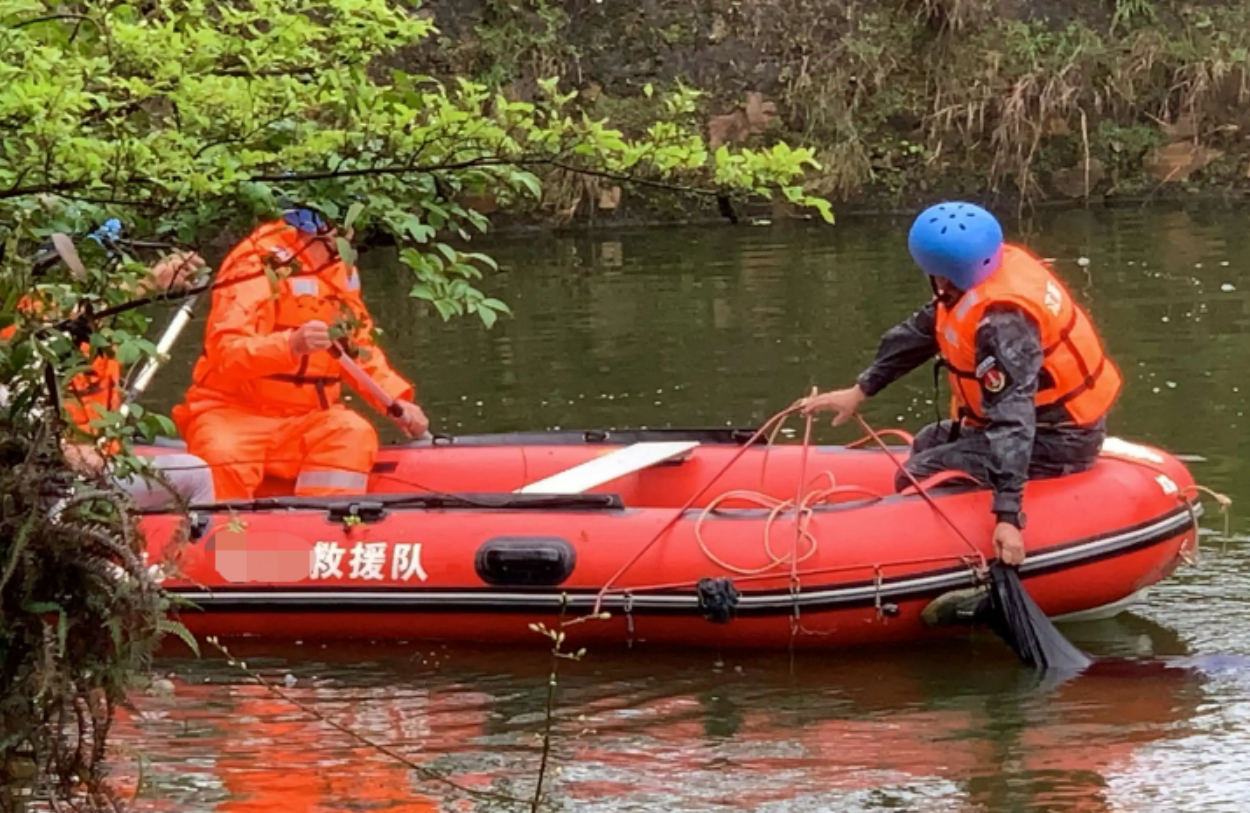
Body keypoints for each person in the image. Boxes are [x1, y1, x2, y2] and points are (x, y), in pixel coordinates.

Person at [799, 201, 1122, 568]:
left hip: (1059, 438)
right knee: (928, 442)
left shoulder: (1003, 323)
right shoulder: (979, 280)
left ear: (943, 274)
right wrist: (860, 391)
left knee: (919, 476)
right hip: (1042, 424)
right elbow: (917, 335)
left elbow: (1013, 419)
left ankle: (956, 557)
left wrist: (1007, 517)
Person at [172, 207, 428, 501]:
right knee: (222, 453)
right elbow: (226, 354)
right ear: (315, 224)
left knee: (352, 433)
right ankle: (225, 545)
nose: (353, 232)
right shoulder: (255, 265)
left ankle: (318, 532)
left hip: (308, 417)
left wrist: (395, 400)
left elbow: (358, 346)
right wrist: (290, 345)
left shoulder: (340, 270)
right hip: (234, 414)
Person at [1, 235, 218, 510]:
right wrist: (65, 448)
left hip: (102, 464)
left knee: (194, 469)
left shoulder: (101, 332)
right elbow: (70, 314)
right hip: (55, 477)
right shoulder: (30, 321)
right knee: (196, 475)